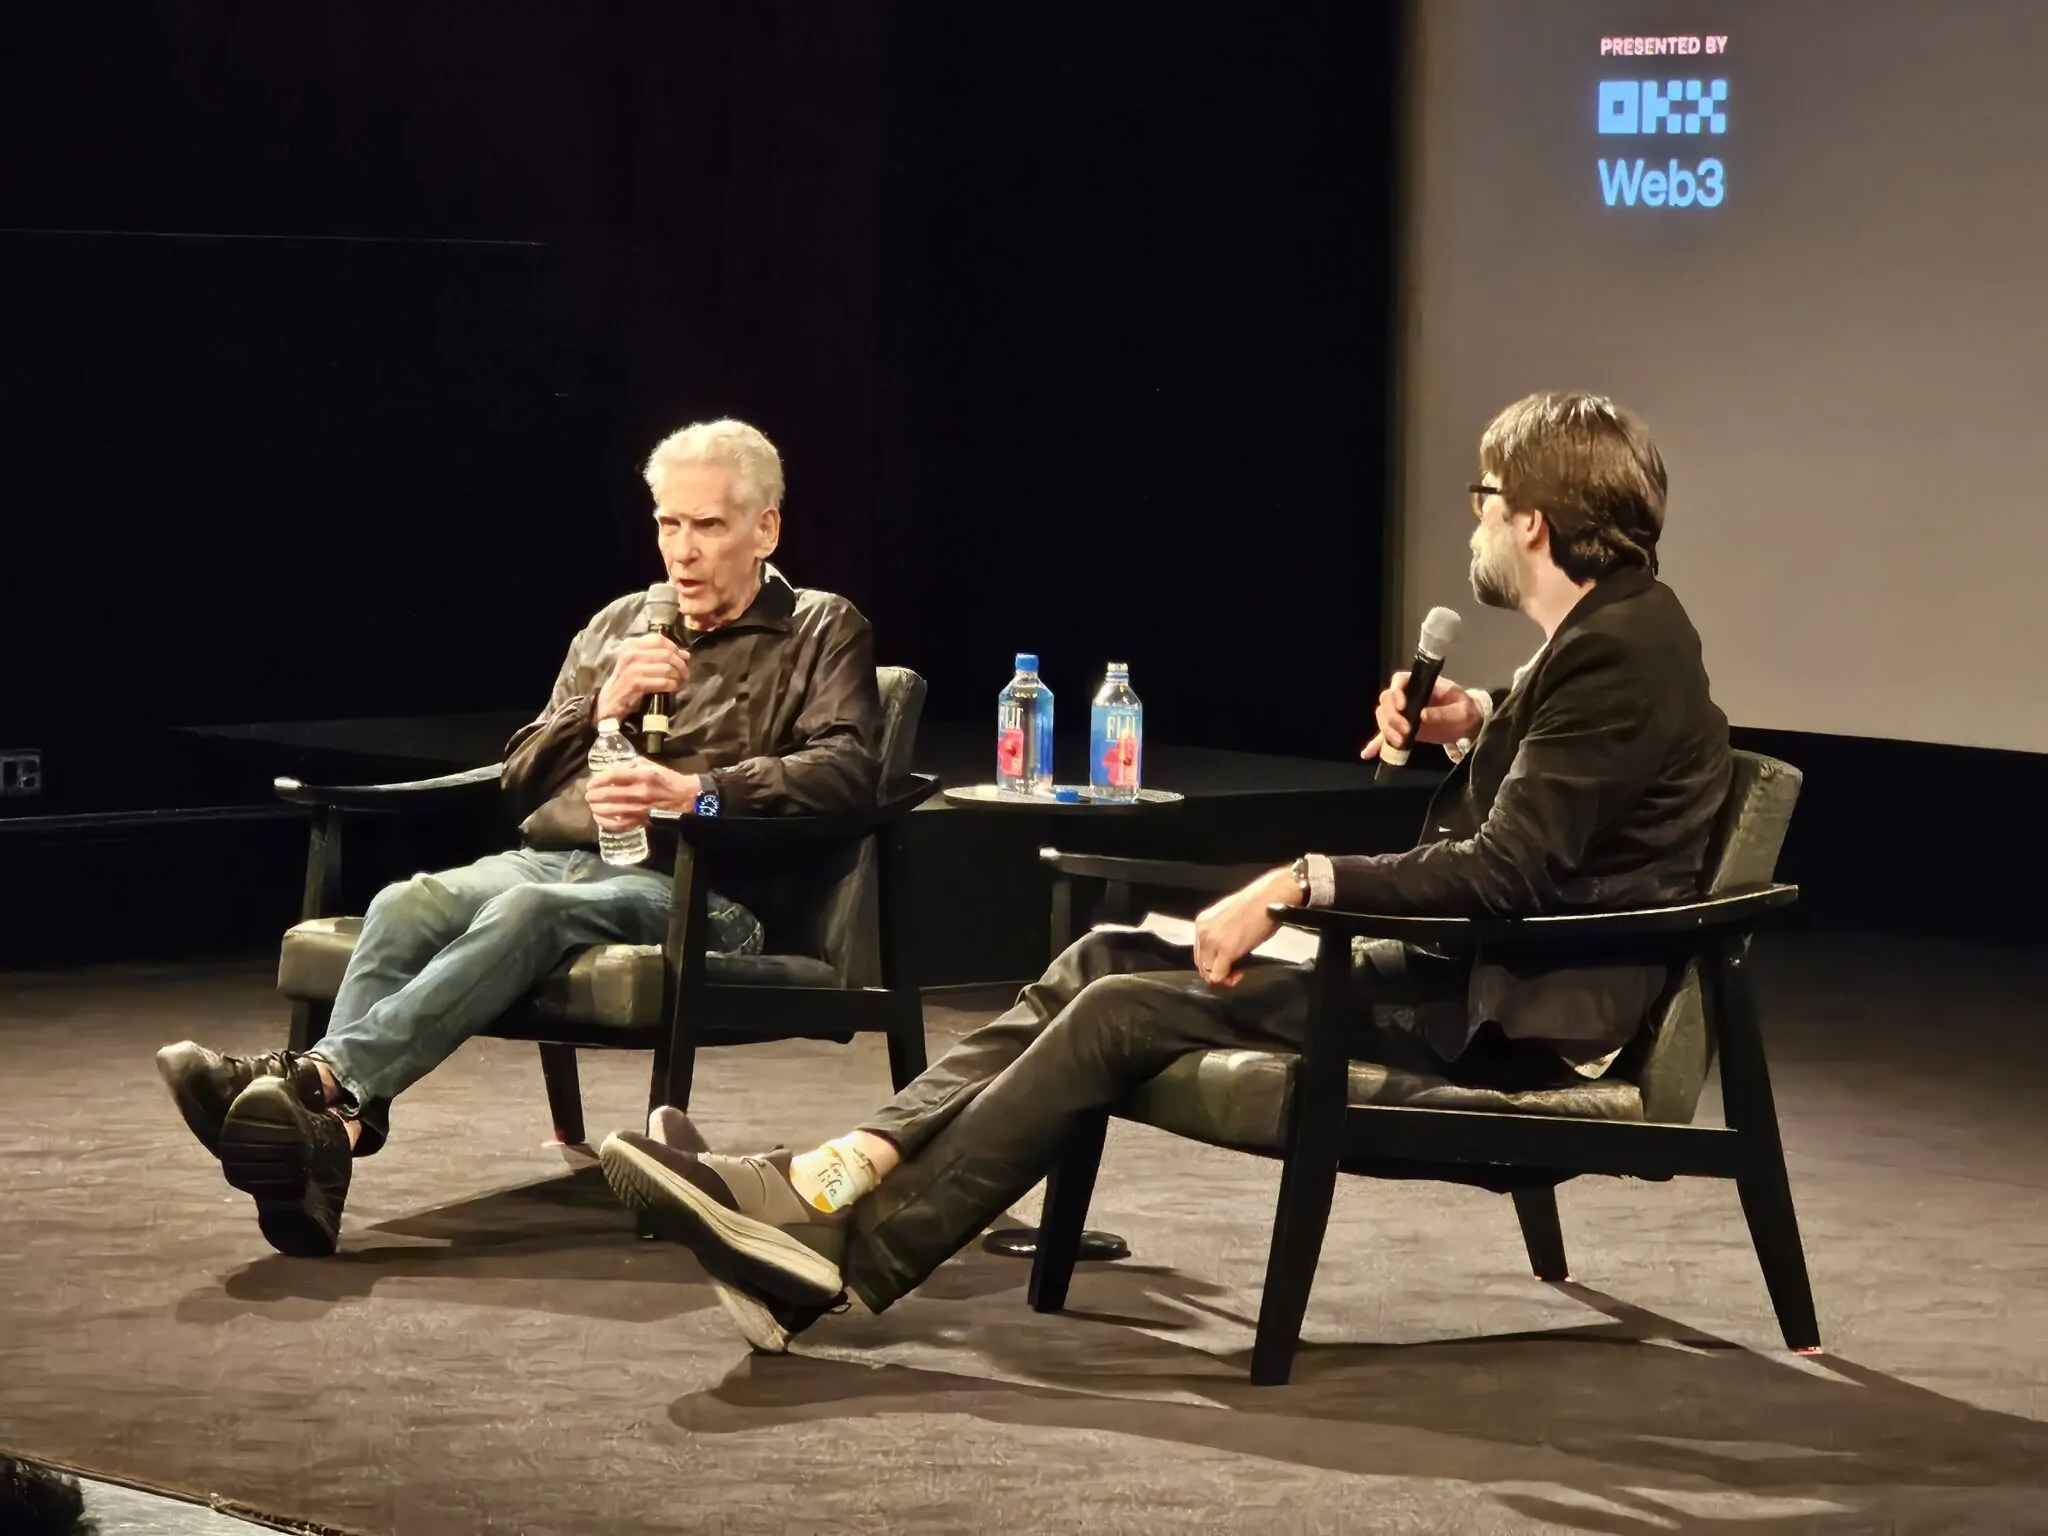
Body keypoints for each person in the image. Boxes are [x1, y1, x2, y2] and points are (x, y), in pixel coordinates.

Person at [598, 390, 1733, 1354]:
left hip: (1502, 1014)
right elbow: (1577, 787)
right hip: (1461, 975)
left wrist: (1293, 882)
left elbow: (1500, 875)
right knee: (1105, 951)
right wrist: (1472, 720)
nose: (1473, 520)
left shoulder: (1618, 653)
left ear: (1531, 523)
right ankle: (830, 1177)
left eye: (1484, 499)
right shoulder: (1611, 631)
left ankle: (842, 1259)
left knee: (1116, 1012)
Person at [156, 418, 885, 1258]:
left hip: (707, 890)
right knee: (407, 902)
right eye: (668, 524)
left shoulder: (824, 628)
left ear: (767, 528)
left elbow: (846, 768)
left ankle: (317, 1082)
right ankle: (332, 1140)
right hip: (563, 858)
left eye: (709, 526)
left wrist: (700, 793)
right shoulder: (620, 625)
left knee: (534, 910)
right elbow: (522, 781)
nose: (682, 551)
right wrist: (599, 706)